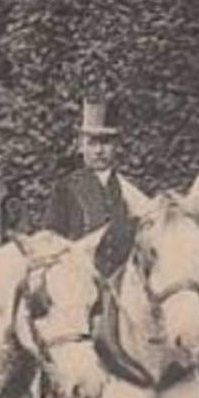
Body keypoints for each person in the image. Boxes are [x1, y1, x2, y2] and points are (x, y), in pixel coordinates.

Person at [40, 98, 142, 275]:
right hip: (79, 282)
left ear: (117, 146)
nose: (99, 151)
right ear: (81, 146)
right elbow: (52, 240)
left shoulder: (131, 188)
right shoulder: (67, 188)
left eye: (105, 143)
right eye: (92, 143)